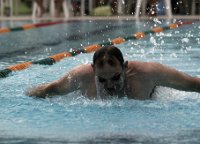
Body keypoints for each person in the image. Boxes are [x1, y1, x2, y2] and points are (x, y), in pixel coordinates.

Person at [27, 46, 200, 100]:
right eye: (102, 80)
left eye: (116, 77)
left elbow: (192, 84)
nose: (110, 85)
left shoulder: (148, 73)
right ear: (93, 70)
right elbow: (51, 89)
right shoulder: (81, 76)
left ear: (124, 67)